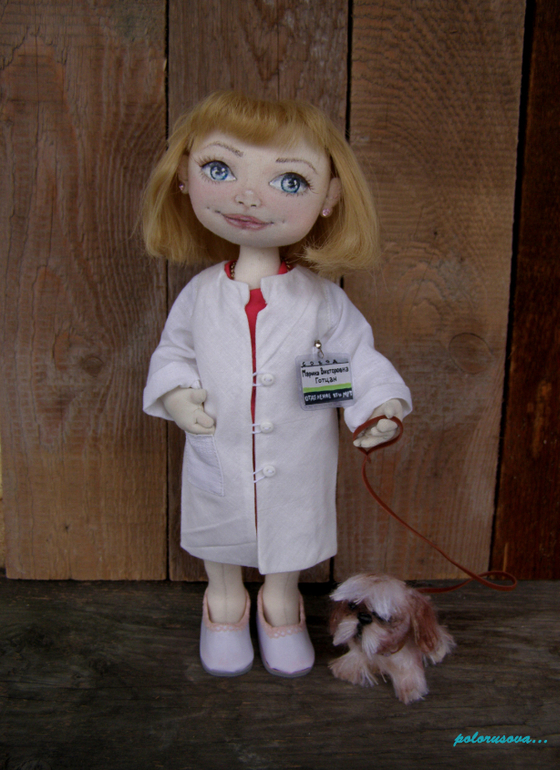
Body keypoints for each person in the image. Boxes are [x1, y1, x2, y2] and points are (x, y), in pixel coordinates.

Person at [142, 91, 412, 678]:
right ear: (184, 176)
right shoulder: (200, 295)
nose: (248, 196)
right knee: (219, 526)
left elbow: (357, 357)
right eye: (220, 169)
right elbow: (174, 352)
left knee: (290, 524)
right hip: (218, 443)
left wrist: (381, 405)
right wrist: (177, 394)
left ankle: (280, 603)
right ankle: (224, 602)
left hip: (298, 450)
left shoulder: (321, 301)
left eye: (289, 181)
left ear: (329, 197)